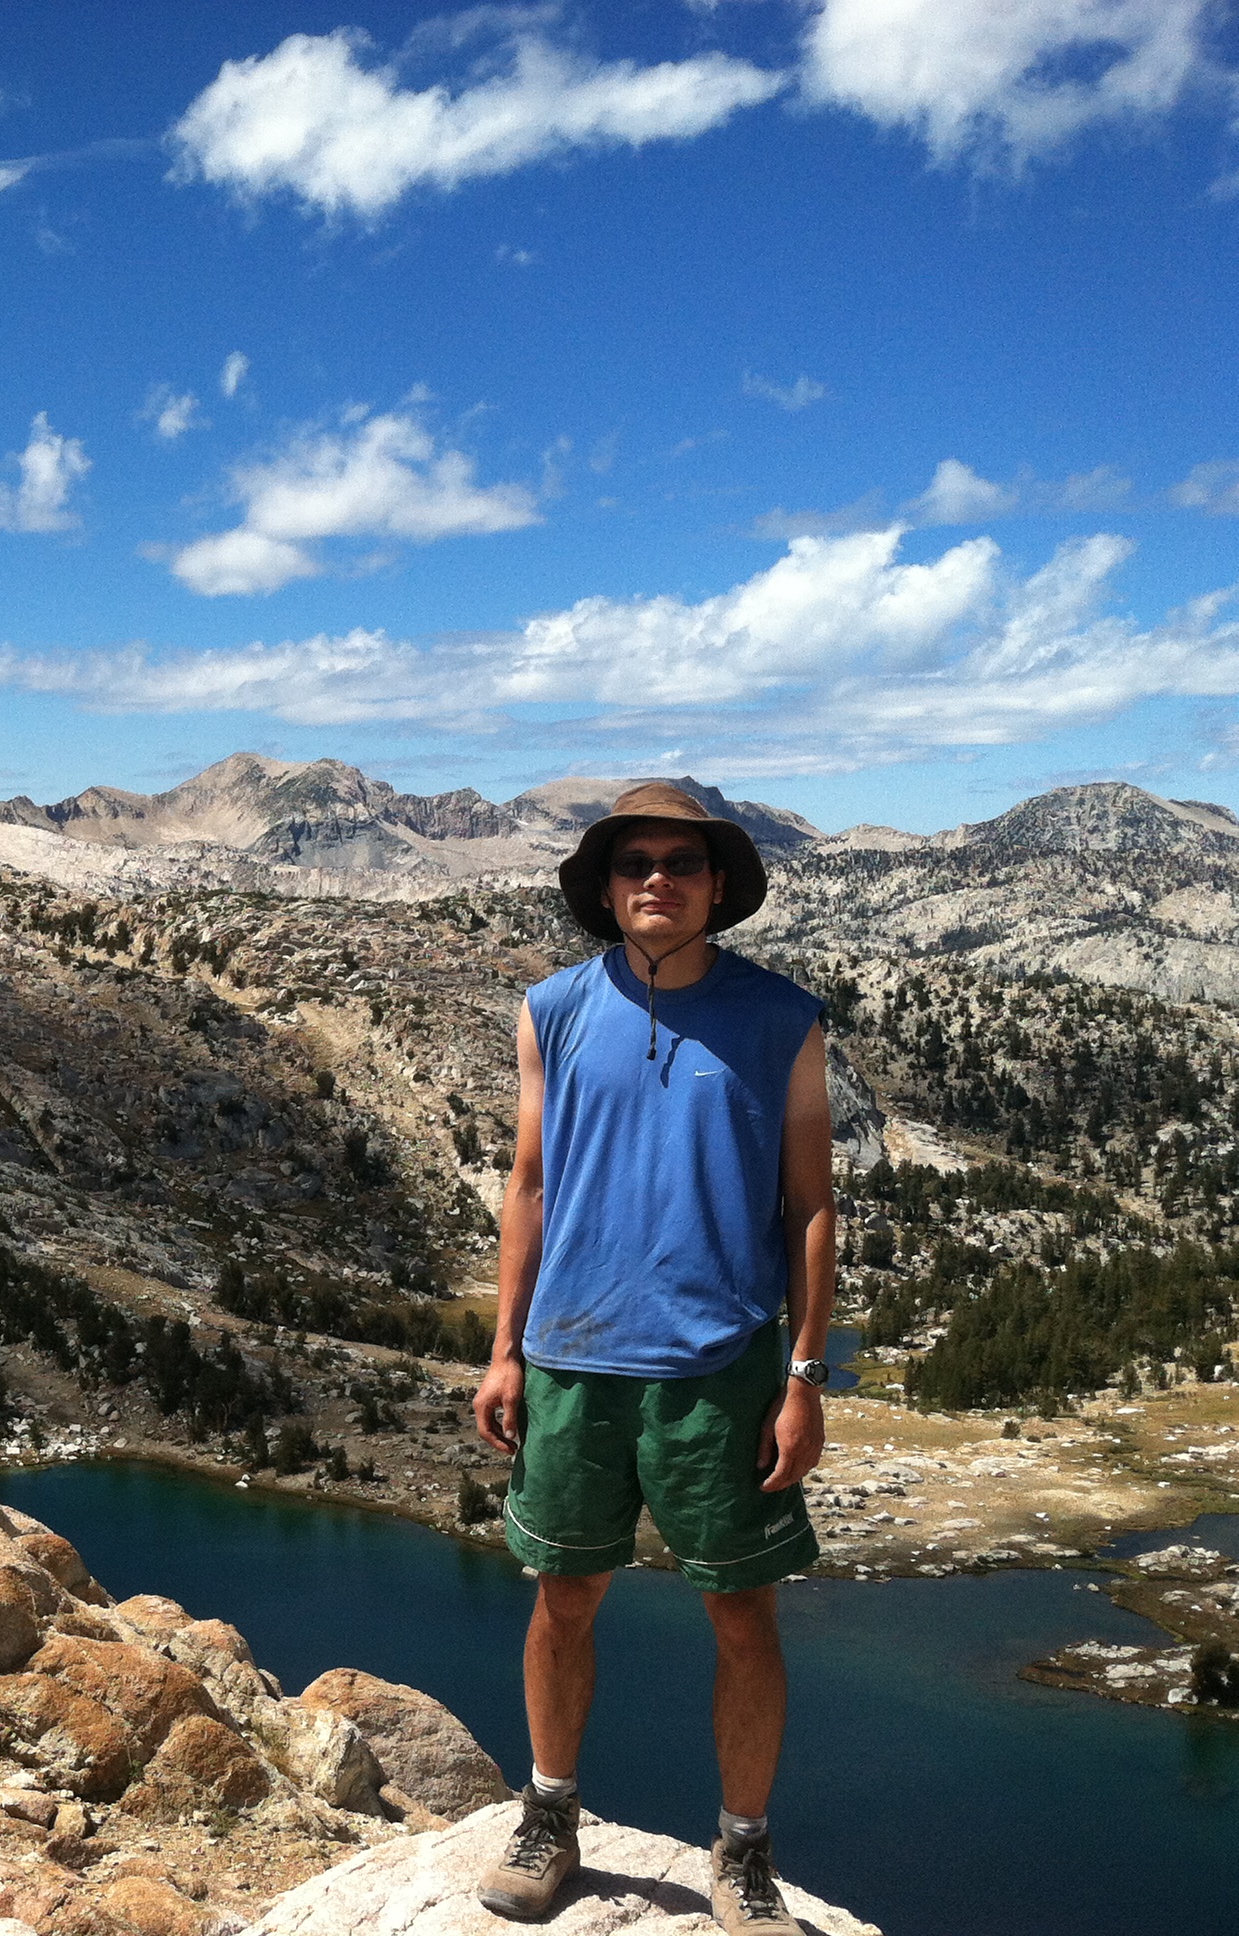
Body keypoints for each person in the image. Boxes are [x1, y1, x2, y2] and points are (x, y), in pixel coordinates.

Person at [470, 782, 835, 1936]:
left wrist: (805, 1376)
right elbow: (529, 1185)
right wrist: (505, 1349)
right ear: (607, 884)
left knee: (742, 1615)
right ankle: (549, 1814)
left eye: (683, 861)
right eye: (636, 862)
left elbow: (812, 1206)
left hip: (721, 1371)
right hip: (573, 1359)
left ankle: (743, 1850)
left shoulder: (782, 1018)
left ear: (718, 884)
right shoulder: (552, 1009)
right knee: (563, 1594)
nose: (658, 880)